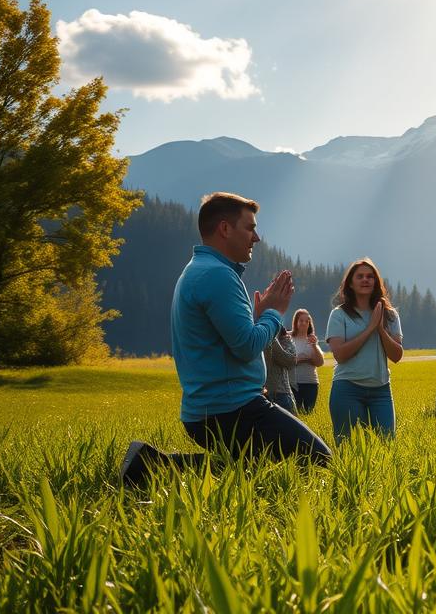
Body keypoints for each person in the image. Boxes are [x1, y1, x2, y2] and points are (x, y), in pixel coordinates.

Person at [120, 192, 331, 486]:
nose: (256, 237)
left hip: (213, 408)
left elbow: (230, 337)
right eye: (250, 228)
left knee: (249, 468)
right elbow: (245, 346)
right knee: (320, 461)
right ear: (225, 229)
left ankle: (151, 463)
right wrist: (274, 314)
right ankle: (152, 464)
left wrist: (257, 315)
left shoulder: (202, 270)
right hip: (231, 409)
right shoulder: (217, 276)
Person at [326, 258, 404, 443]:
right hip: (347, 389)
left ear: (376, 282)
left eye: (370, 276)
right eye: (359, 276)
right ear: (350, 284)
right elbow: (340, 355)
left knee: (386, 446)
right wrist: (370, 328)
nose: (365, 280)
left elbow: (396, 355)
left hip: (381, 390)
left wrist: (380, 328)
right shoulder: (339, 314)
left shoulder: (390, 315)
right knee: (348, 448)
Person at [290, 309, 324, 414]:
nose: (304, 323)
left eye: (307, 321)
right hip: (293, 384)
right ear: (296, 322)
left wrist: (314, 346)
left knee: (308, 414)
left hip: (310, 383)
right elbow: (282, 360)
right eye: (301, 320)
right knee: (294, 415)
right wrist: (296, 360)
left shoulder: (312, 340)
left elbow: (320, 362)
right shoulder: (289, 339)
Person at [262, 325, 298, 414]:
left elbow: (290, 362)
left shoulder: (285, 339)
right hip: (260, 394)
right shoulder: (255, 334)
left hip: (281, 394)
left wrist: (271, 338)